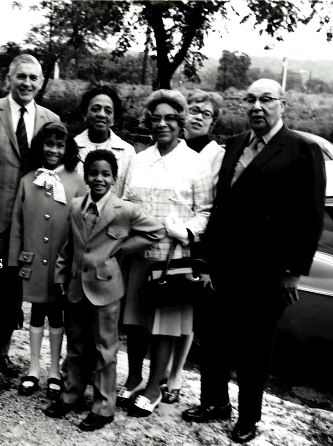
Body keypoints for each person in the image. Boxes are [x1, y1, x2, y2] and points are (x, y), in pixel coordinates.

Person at [182, 79, 326, 444]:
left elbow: (310, 218)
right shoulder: (234, 146)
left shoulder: (300, 149)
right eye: (251, 100)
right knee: (213, 337)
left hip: (267, 271)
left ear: (282, 105)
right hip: (223, 266)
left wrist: (293, 273)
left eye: (266, 100)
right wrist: (206, 260)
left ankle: (248, 417)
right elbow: (220, 208)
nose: (257, 107)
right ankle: (214, 403)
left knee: (254, 347)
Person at [44, 149, 165, 432]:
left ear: (114, 177)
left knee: (105, 350)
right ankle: (72, 394)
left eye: (105, 174)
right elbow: (69, 246)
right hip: (76, 286)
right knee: (76, 345)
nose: (99, 179)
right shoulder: (75, 206)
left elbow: (156, 230)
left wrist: (122, 249)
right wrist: (61, 275)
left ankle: (104, 406)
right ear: (86, 176)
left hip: (107, 289)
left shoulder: (125, 209)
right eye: (94, 173)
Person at [120, 90, 213, 417]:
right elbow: (125, 201)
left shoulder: (195, 163)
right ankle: (132, 377)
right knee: (136, 321)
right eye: (156, 118)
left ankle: (155, 386)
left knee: (165, 325)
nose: (162, 124)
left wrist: (186, 230)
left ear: (181, 122)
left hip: (173, 255)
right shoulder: (139, 158)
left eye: (170, 118)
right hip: (139, 254)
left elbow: (206, 211)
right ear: (149, 121)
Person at [0, 54, 60, 377]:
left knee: (13, 289)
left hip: (28, 222)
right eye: (21, 76)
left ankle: (0, 350)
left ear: (41, 83)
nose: (27, 83)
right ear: (9, 78)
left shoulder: (50, 120)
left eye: (34, 78)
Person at [8, 122, 87, 399]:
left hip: (60, 264)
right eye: (49, 144)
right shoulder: (28, 180)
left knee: (57, 315)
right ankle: (33, 369)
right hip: (32, 262)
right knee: (36, 314)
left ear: (67, 150)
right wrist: (14, 260)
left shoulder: (76, 182)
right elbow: (17, 224)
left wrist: (75, 263)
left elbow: (82, 226)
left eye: (59, 145)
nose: (53, 150)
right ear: (41, 146)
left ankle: (54, 371)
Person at [159, 90, 225, 405]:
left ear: (214, 121)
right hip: (169, 239)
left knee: (187, 312)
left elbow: (213, 207)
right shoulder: (176, 147)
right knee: (168, 305)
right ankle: (161, 373)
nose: (197, 117)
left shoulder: (217, 155)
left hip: (198, 242)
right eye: (194, 110)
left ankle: (175, 376)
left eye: (206, 113)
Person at [74, 86, 135, 198]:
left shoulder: (127, 152)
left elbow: (128, 194)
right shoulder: (72, 148)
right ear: (85, 114)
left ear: (114, 118)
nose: (101, 115)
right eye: (95, 109)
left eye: (108, 111)